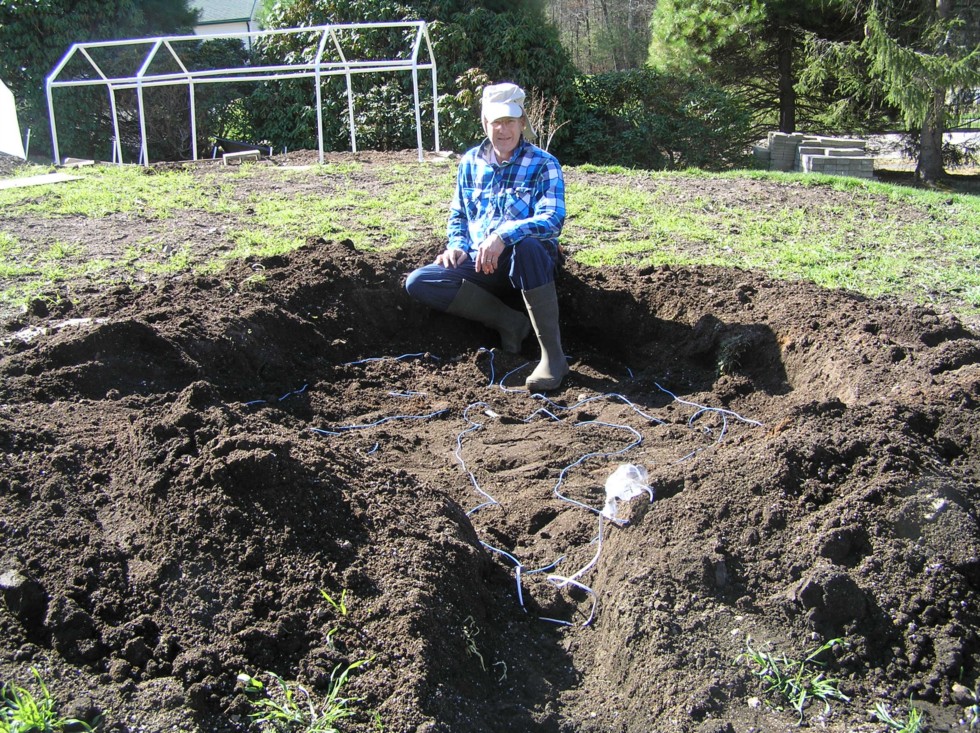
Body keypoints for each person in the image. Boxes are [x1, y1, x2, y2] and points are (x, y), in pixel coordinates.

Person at [405, 82, 569, 392]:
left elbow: (552, 219)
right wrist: (457, 245)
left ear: (522, 122)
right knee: (420, 281)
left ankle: (553, 357)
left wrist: (503, 235)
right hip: (482, 262)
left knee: (529, 246)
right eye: (496, 122)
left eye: (510, 121)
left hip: (530, 265)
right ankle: (511, 322)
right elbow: (459, 214)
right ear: (485, 123)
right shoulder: (470, 162)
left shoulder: (544, 164)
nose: (503, 130)